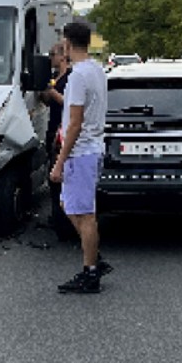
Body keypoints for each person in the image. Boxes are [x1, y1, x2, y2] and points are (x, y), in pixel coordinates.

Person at [50, 22, 112, 294]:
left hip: (80, 151)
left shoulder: (77, 76)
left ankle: (90, 272)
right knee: (68, 203)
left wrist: (60, 161)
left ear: (66, 44)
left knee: (84, 214)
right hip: (94, 146)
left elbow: (75, 122)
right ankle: (94, 257)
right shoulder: (97, 70)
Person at [40, 41, 71, 156]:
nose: (50, 58)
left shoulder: (70, 76)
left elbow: (67, 101)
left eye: (53, 54)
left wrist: (51, 91)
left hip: (63, 125)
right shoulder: (53, 76)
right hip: (52, 124)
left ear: (63, 56)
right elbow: (48, 101)